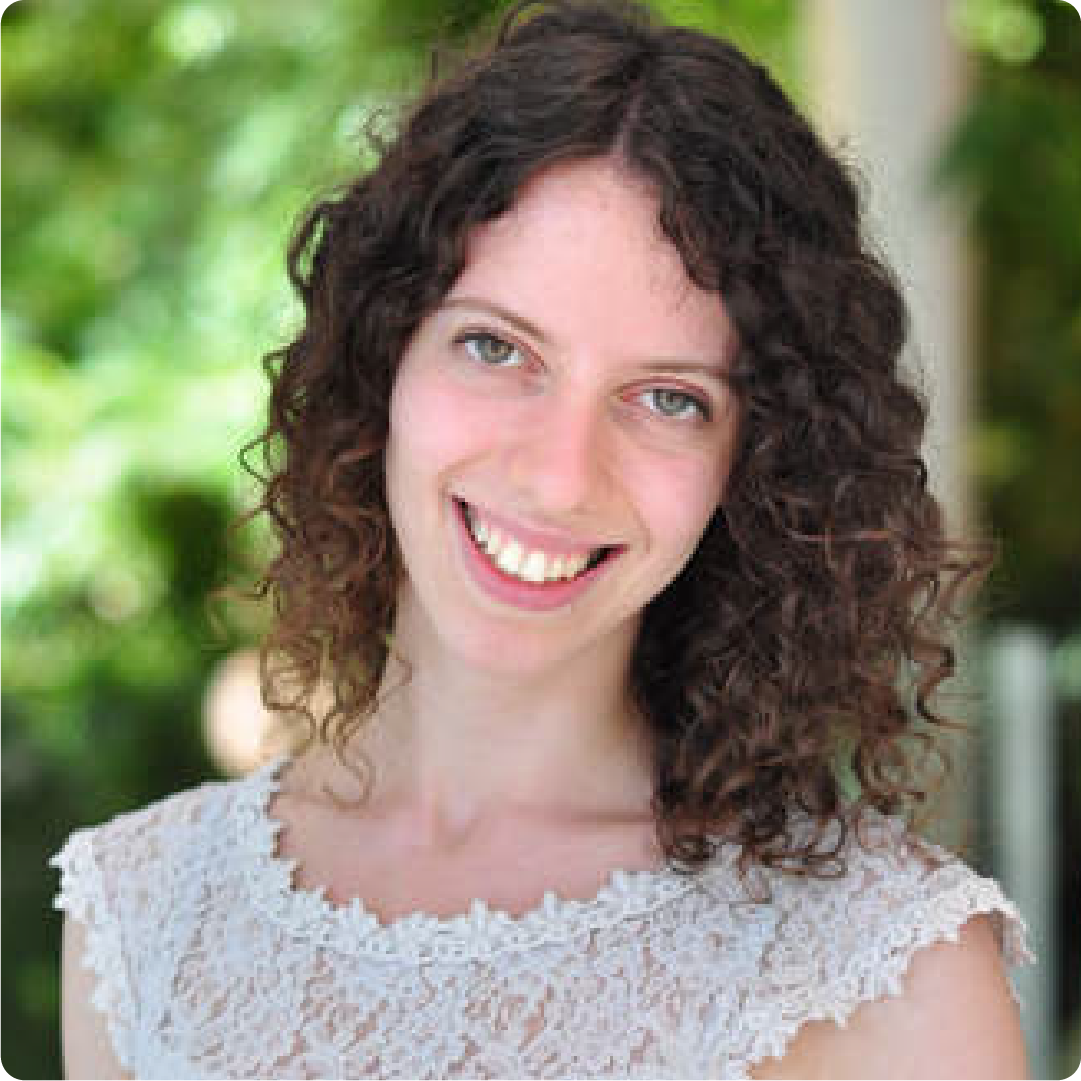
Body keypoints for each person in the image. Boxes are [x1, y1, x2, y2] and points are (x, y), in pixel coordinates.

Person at [51, 2, 1035, 1078]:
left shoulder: (883, 970)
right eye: (495, 347)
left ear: (755, 467)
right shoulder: (140, 918)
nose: (560, 474)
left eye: (667, 398)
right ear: (382, 358)